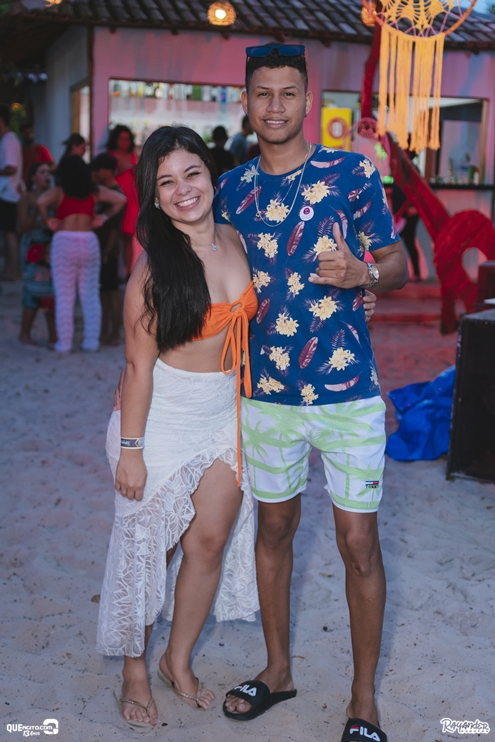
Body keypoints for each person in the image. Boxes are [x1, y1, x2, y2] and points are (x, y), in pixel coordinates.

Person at [214, 44, 408, 742]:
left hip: (348, 393)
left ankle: (363, 700)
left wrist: (364, 275)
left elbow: (398, 261)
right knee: (273, 530)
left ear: (308, 100)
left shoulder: (351, 173)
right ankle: (278, 671)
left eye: (288, 93)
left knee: (358, 543)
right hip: (265, 394)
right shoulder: (228, 189)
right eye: (262, 93)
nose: (275, 106)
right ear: (245, 101)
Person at [96, 125, 260, 729]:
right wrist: (131, 450)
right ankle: (134, 671)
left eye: (192, 173)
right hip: (161, 418)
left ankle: (177, 659)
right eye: (166, 182)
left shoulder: (234, 238)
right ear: (154, 195)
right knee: (147, 552)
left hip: (223, 413)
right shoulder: (152, 272)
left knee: (209, 542)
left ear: (211, 175)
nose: (183, 189)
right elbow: (138, 367)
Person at [37, 155, 126, 353]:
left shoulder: (59, 192)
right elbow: (121, 199)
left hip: (64, 241)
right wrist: (103, 217)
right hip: (88, 241)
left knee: (65, 296)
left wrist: (48, 220)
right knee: (90, 295)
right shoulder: (94, 192)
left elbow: (41, 201)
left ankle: (64, 343)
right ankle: (91, 342)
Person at [18, 162, 57, 347]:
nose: (47, 175)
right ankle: (24, 333)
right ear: (33, 177)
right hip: (33, 249)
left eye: (48, 172)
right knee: (32, 291)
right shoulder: (26, 197)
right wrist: (37, 209)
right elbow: (22, 227)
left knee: (51, 292)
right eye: (42, 172)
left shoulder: (54, 195)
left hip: (50, 247)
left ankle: (53, 335)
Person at [90, 152, 124, 345]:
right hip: (101, 247)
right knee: (104, 292)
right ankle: (105, 331)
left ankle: (115, 333)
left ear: (108, 171)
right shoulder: (104, 191)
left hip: (108, 249)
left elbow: (115, 229)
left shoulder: (115, 193)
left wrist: (107, 251)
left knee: (111, 292)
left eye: (99, 169)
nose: (95, 173)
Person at [106, 125, 141, 274]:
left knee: (129, 236)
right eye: (121, 139)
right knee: (113, 234)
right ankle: (115, 271)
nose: (125, 142)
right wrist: (116, 170)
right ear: (115, 139)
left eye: (127, 139)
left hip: (132, 199)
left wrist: (137, 169)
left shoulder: (135, 156)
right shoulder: (109, 156)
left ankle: (129, 271)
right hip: (115, 198)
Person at [0, 103, 23, 282]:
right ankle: (9, 270)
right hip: (7, 193)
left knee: (10, 234)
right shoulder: (7, 139)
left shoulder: (8, 140)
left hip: (9, 193)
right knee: (7, 233)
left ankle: (14, 271)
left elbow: (11, 168)